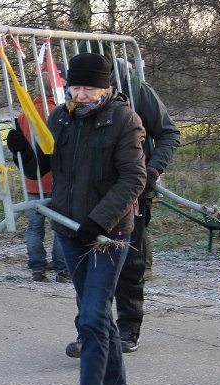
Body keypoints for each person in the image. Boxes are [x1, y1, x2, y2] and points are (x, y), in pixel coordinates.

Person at [7, 52, 146, 385]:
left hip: (108, 235)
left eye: (89, 88)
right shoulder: (60, 117)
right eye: (76, 87)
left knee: (90, 318)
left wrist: (99, 220)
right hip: (69, 229)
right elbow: (45, 169)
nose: (81, 94)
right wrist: (21, 150)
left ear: (106, 88)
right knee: (96, 315)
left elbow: (134, 179)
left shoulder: (123, 120)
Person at [65, 58, 180, 356]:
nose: (83, 92)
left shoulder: (140, 92)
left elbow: (169, 132)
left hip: (133, 190)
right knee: (87, 266)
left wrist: (152, 170)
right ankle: (89, 331)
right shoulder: (79, 101)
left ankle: (128, 326)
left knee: (130, 262)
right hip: (91, 192)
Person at [18, 68, 68, 282]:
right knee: (60, 226)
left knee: (34, 227)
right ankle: (62, 268)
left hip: (33, 178)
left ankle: (37, 268)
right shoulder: (60, 111)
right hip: (57, 177)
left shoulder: (24, 114)